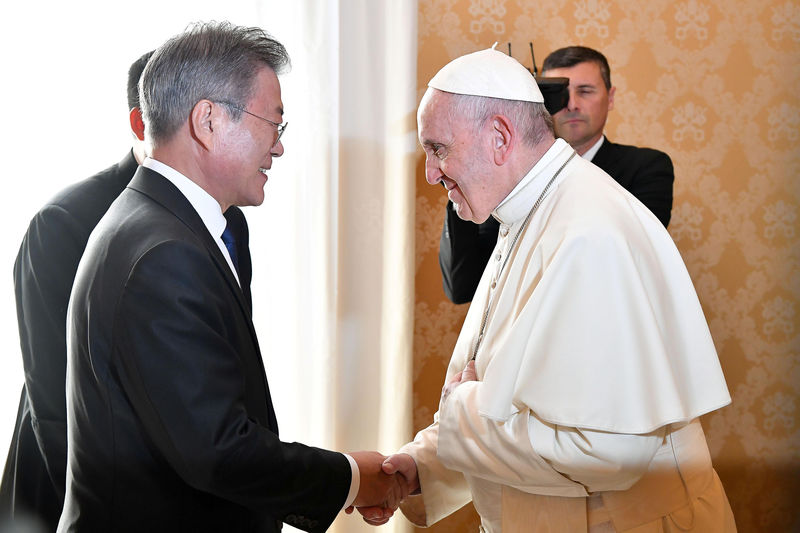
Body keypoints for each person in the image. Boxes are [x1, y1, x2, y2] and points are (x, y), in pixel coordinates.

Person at [357, 47, 736, 532]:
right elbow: (507, 398)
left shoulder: (589, 231)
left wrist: (462, 409)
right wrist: (419, 468)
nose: (431, 173)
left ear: (499, 136)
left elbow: (607, 450)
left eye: (438, 148)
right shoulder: (527, 210)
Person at [57, 22, 405, 533]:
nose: (279, 147)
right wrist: (352, 478)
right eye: (274, 124)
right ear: (209, 120)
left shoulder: (157, 222)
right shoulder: (163, 252)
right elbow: (217, 451)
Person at [0, 50, 248, 532]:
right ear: (143, 120)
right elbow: (54, 402)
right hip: (66, 496)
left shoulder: (228, 217)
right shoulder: (62, 222)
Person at [439, 45, 674, 304]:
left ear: (610, 97)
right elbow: (463, 287)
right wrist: (464, 180)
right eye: (560, 93)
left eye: (585, 91)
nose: (571, 105)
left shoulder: (647, 167)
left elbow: (629, 262)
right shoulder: (511, 179)